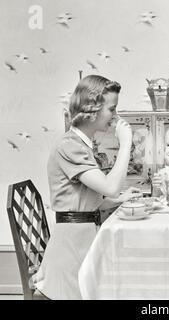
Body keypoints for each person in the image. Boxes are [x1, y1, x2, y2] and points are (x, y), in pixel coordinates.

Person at [33, 75, 142, 299]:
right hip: (72, 250)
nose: (115, 116)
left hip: (82, 239)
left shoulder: (80, 144)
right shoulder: (69, 145)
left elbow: (85, 200)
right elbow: (110, 187)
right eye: (112, 109)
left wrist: (119, 199)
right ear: (92, 109)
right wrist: (126, 143)